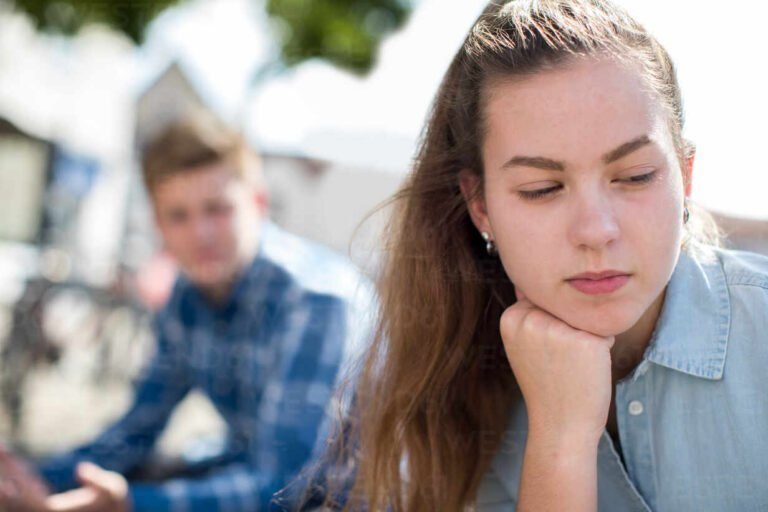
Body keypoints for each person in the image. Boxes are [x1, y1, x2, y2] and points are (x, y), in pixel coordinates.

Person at [311, 1, 768, 511]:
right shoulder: (459, 388)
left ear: (684, 178)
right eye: (543, 188)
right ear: (480, 206)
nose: (596, 230)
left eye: (635, 176)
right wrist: (559, 443)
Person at [0, 113, 373, 512]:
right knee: (158, 468)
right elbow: (136, 430)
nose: (201, 234)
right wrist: (34, 476)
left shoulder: (316, 301)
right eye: (179, 215)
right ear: (159, 224)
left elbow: (286, 486)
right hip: (263, 477)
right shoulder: (187, 297)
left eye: (218, 209)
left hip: (357, 496)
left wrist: (131, 505)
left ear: (259, 204)